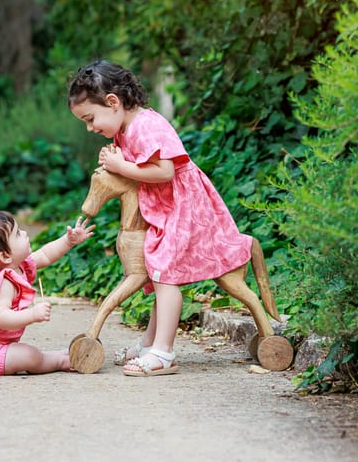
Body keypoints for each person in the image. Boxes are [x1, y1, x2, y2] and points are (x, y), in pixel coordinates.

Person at [68, 59, 256, 377]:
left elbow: (165, 170)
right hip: (163, 210)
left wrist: (121, 166)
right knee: (157, 274)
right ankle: (149, 344)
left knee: (165, 274)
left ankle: (164, 353)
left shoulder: (146, 125)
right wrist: (116, 160)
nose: (90, 128)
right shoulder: (125, 129)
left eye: (90, 118)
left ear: (112, 102)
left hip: (184, 208)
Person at [0, 211, 95, 375]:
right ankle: (59, 361)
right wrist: (32, 314)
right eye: (18, 234)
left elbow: (45, 255)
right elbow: (0, 318)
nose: (25, 233)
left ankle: (51, 356)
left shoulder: (19, 266)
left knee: (22, 352)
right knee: (27, 355)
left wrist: (68, 241)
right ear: (5, 256)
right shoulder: (1, 283)